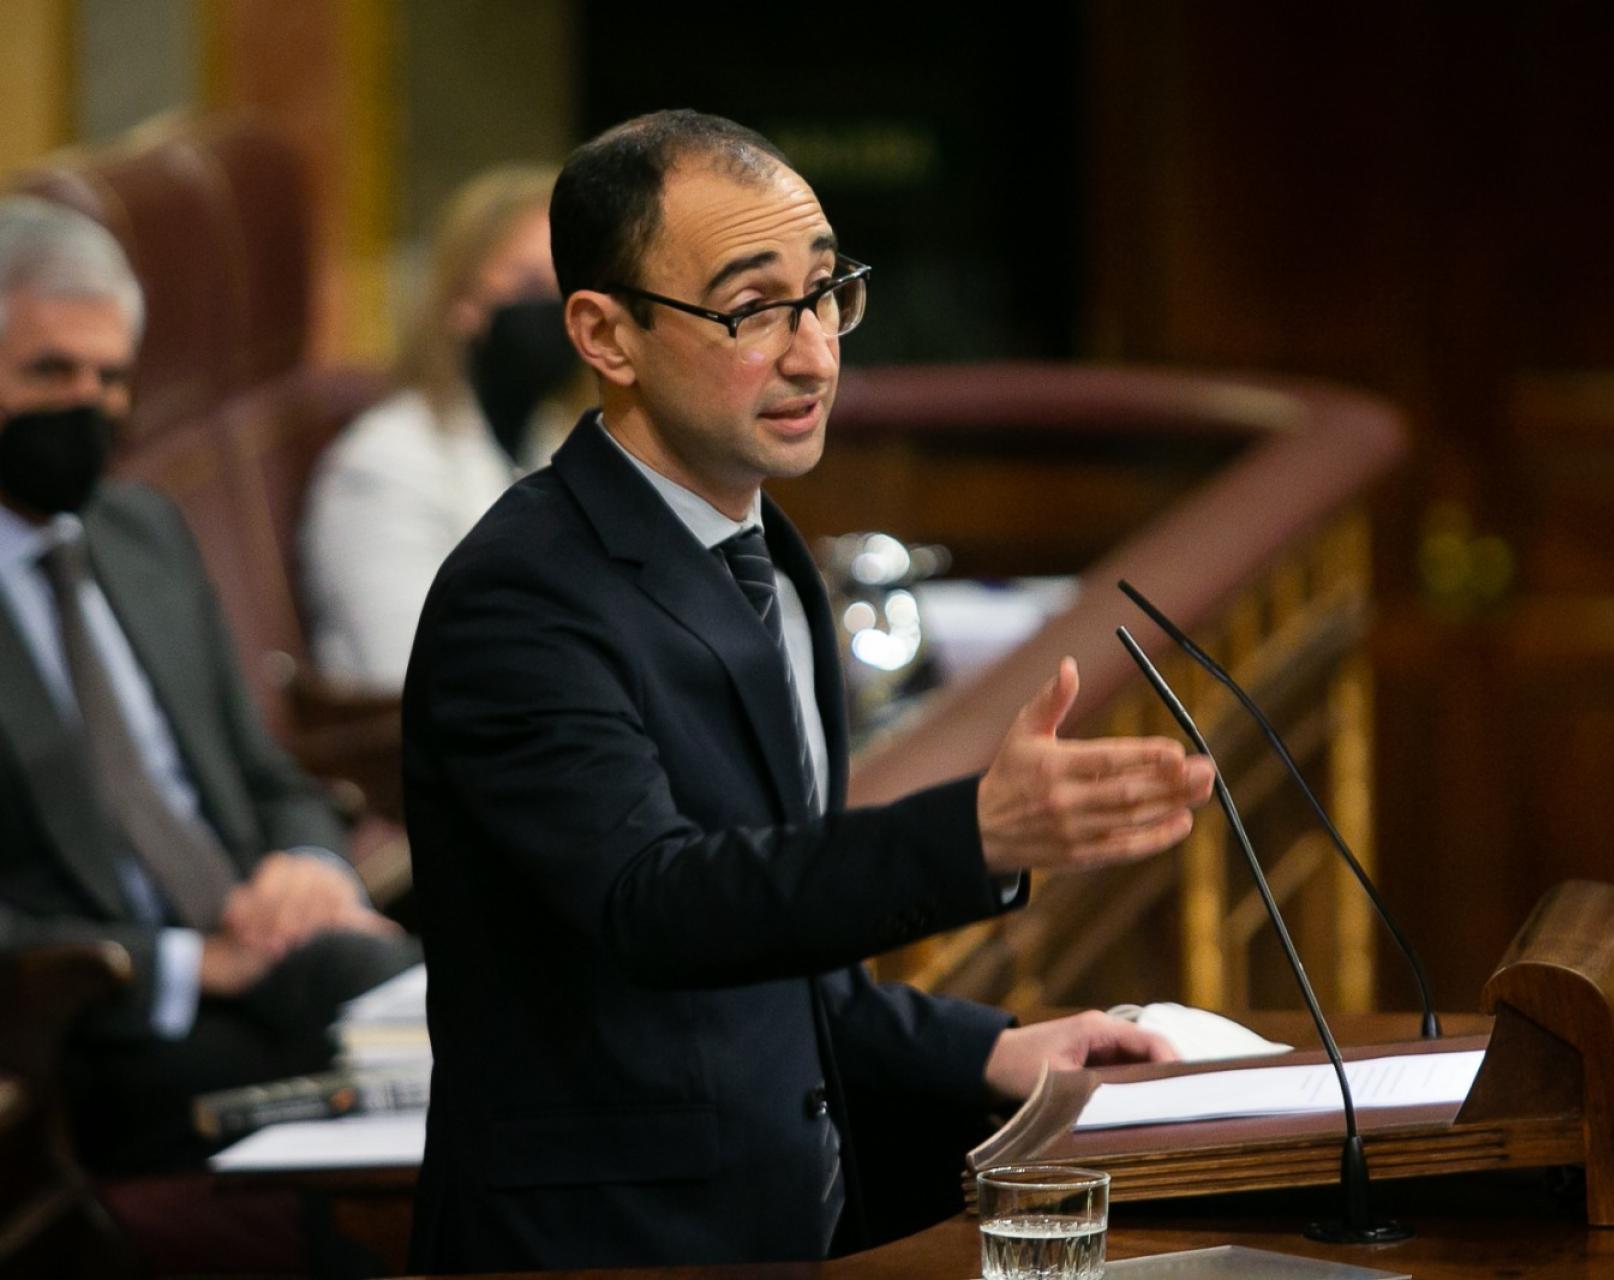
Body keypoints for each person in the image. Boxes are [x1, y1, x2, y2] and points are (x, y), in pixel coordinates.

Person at [402, 110, 1216, 1273]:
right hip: (605, 1242)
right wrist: (969, 833)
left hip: (793, 1223)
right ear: (605, 332)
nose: (813, 352)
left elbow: (786, 964)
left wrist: (994, 1047)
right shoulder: (522, 594)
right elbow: (656, 905)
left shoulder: (767, 552)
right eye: (751, 307)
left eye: (827, 292)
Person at [0, 195, 419, 1172]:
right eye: (50, 371)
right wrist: (185, 965)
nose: (89, 404)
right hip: (103, 1020)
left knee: (477, 1032)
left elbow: (270, 775)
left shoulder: (139, 528)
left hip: (271, 948)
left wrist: (309, 867)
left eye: (110, 378)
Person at [300, 165, 592, 690]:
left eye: (568, 288)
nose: (556, 312)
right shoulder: (385, 464)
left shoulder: (561, 439)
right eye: (530, 285)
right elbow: (409, 669)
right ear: (462, 305)